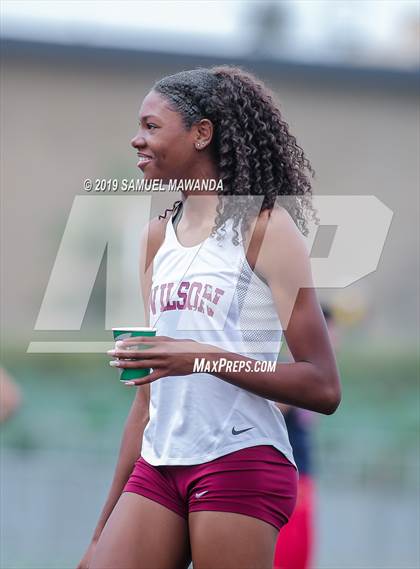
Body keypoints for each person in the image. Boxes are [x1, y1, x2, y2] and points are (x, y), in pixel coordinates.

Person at [78, 65, 341, 569]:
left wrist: (200, 357)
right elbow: (146, 403)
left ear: (202, 133)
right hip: (157, 466)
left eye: (152, 126)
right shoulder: (157, 236)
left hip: (238, 461)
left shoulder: (265, 227)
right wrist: (100, 532)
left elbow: (324, 387)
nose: (137, 140)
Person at [273, 305, 340, 569]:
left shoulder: (318, 377)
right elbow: (270, 413)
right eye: (332, 332)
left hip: (304, 477)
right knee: (286, 557)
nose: (337, 339)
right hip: (290, 479)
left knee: (300, 557)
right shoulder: (293, 371)